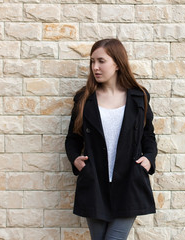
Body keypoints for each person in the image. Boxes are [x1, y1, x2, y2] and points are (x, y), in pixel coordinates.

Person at [65, 38, 157, 240]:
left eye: (101, 61)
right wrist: (75, 159)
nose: (95, 67)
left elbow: (148, 135)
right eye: (92, 62)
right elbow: (73, 138)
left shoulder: (138, 97)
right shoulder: (84, 99)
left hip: (128, 182)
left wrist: (149, 158)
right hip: (95, 184)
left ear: (117, 63)